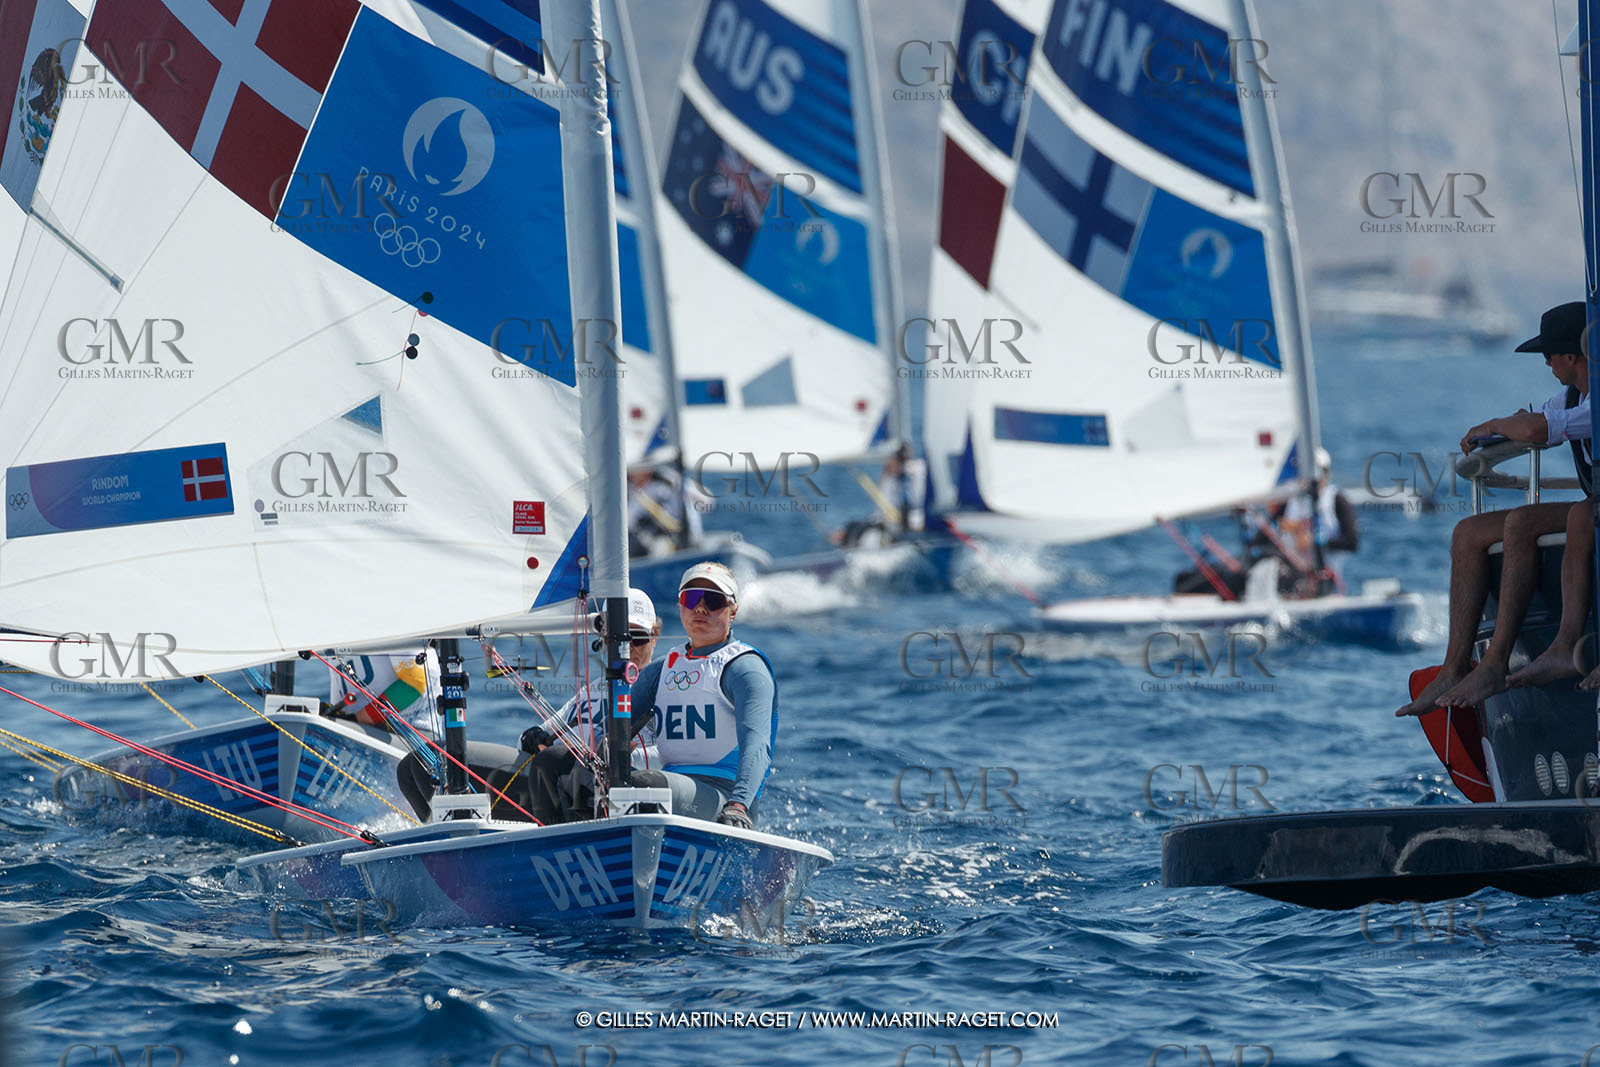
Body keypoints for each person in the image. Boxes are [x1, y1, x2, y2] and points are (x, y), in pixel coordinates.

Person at [1397, 301, 1593, 716]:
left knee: (1555, 517)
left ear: (1571, 357)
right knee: (1467, 534)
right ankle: (1456, 667)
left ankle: (1547, 648)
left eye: (1549, 355)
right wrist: (1507, 424)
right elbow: (1535, 419)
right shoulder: (1572, 395)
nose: (1546, 364)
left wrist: (1496, 424)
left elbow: (1537, 428)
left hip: (1590, 512)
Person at [626, 561, 776, 828]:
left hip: (726, 799)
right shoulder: (662, 670)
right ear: (681, 605)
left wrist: (739, 805)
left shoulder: (745, 669)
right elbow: (611, 726)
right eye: (692, 598)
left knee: (642, 784)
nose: (701, 608)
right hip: (670, 791)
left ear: (733, 611)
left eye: (714, 600)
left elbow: (758, 746)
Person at [520, 588, 661, 824]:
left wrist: (625, 756)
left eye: (637, 638)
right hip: (577, 789)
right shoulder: (590, 692)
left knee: (555, 761)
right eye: (618, 639)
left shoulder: (663, 688)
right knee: (547, 759)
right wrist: (533, 737)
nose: (627, 648)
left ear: (654, 639)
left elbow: (677, 755)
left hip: (638, 791)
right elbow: (530, 739)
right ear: (604, 640)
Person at [1280, 447, 1359, 593]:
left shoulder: (1337, 500)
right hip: (1292, 573)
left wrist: (1315, 541)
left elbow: (1351, 541)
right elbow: (1276, 527)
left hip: (1326, 576)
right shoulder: (1292, 501)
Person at [833, 443, 927, 548]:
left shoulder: (916, 473)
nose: (889, 465)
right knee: (855, 528)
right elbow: (882, 512)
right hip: (890, 525)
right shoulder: (889, 478)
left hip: (912, 524)